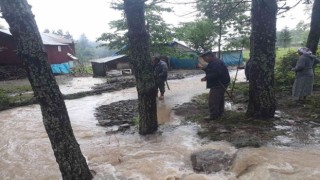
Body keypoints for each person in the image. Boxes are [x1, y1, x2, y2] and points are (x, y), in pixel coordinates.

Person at [200, 51, 230, 120]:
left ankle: (214, 116)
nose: (204, 60)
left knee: (213, 100)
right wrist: (203, 68)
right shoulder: (214, 62)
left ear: (210, 56)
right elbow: (211, 70)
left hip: (219, 84)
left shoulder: (216, 63)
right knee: (219, 99)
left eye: (205, 58)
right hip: (220, 83)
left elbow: (216, 73)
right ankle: (220, 113)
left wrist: (206, 78)